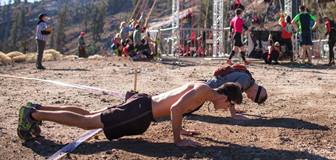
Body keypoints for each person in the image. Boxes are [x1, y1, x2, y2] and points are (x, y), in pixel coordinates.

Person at [17, 82, 242, 147]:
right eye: (230, 106)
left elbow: (176, 107)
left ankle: (37, 108)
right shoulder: (204, 92)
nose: (226, 110)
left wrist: (181, 127)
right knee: (87, 123)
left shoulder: (203, 90)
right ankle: (34, 115)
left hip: (142, 105)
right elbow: (174, 109)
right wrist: (178, 140)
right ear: (226, 98)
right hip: (141, 111)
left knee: (89, 114)